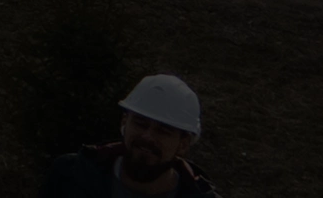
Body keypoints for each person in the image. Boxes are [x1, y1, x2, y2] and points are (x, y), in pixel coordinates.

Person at [42, 75, 221, 197]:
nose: (148, 136)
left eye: (163, 131)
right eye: (141, 124)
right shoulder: (70, 176)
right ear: (124, 123)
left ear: (183, 143)